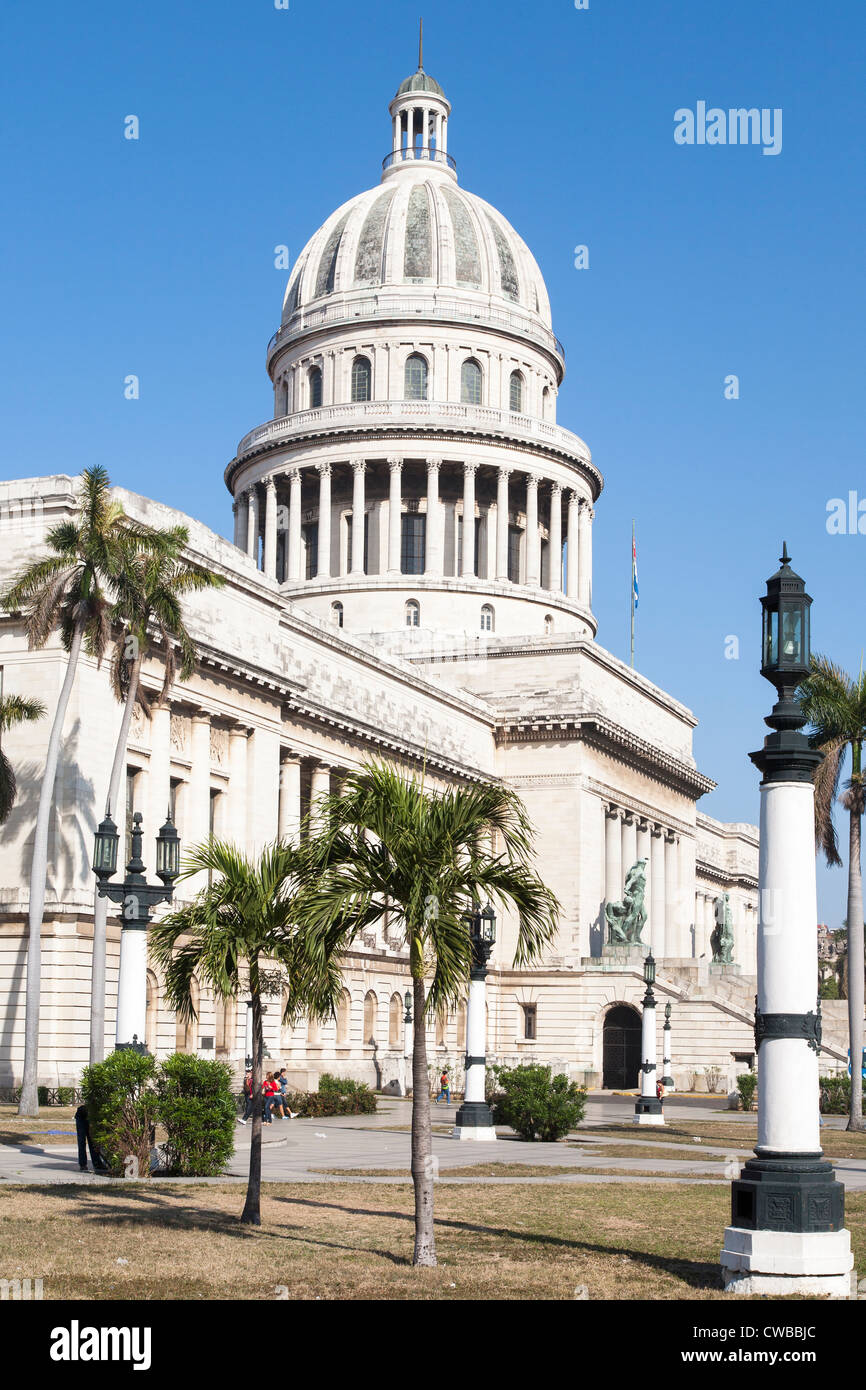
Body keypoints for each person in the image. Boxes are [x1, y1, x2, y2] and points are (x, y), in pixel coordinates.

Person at [75, 1104, 107, 1172]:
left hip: (91, 1117)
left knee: (92, 1142)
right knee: (82, 1142)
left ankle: (97, 1163)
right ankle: (83, 1164)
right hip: (81, 1116)